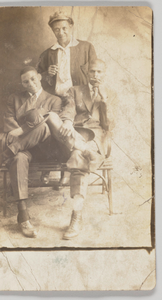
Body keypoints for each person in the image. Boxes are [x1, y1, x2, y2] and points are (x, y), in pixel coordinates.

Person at [0, 66, 101, 239]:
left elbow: (51, 128)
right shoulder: (15, 98)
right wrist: (28, 128)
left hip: (49, 148)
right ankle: (23, 217)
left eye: (33, 79)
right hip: (23, 149)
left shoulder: (54, 99)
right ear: (21, 83)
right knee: (19, 157)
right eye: (25, 82)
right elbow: (9, 125)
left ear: (40, 77)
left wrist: (27, 126)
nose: (30, 84)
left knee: (44, 125)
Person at [60, 59, 118, 240]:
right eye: (92, 71)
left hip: (97, 137)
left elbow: (110, 126)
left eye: (99, 72)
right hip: (76, 134)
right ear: (87, 73)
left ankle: (76, 215)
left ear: (104, 73)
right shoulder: (75, 90)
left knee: (79, 156)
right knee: (80, 155)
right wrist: (68, 121)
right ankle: (76, 216)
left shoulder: (111, 94)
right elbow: (68, 109)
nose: (95, 75)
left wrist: (105, 100)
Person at [37, 11, 97, 98]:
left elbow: (97, 75)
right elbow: (36, 79)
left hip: (81, 100)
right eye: (56, 30)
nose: (61, 33)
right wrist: (47, 74)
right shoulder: (46, 54)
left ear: (71, 26)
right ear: (52, 30)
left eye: (64, 28)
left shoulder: (86, 48)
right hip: (55, 99)